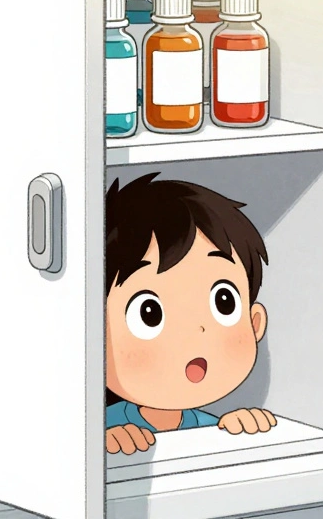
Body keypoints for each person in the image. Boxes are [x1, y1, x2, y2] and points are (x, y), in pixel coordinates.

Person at [104, 173, 276, 455]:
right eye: (149, 313)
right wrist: (106, 440)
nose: (193, 332)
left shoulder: (207, 426)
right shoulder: (99, 429)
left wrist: (239, 430)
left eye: (224, 302)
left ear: (254, 323)